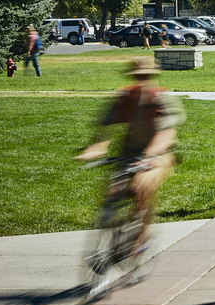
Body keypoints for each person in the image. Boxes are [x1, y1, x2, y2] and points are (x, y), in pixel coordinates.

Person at [76, 58, 185, 263]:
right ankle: (113, 235)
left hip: (159, 155)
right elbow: (105, 127)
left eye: (145, 76)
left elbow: (166, 133)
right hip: (128, 153)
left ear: (151, 77)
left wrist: (150, 155)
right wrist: (96, 147)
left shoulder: (159, 99)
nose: (141, 81)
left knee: (141, 188)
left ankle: (140, 241)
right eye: (137, 76)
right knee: (113, 192)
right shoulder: (124, 98)